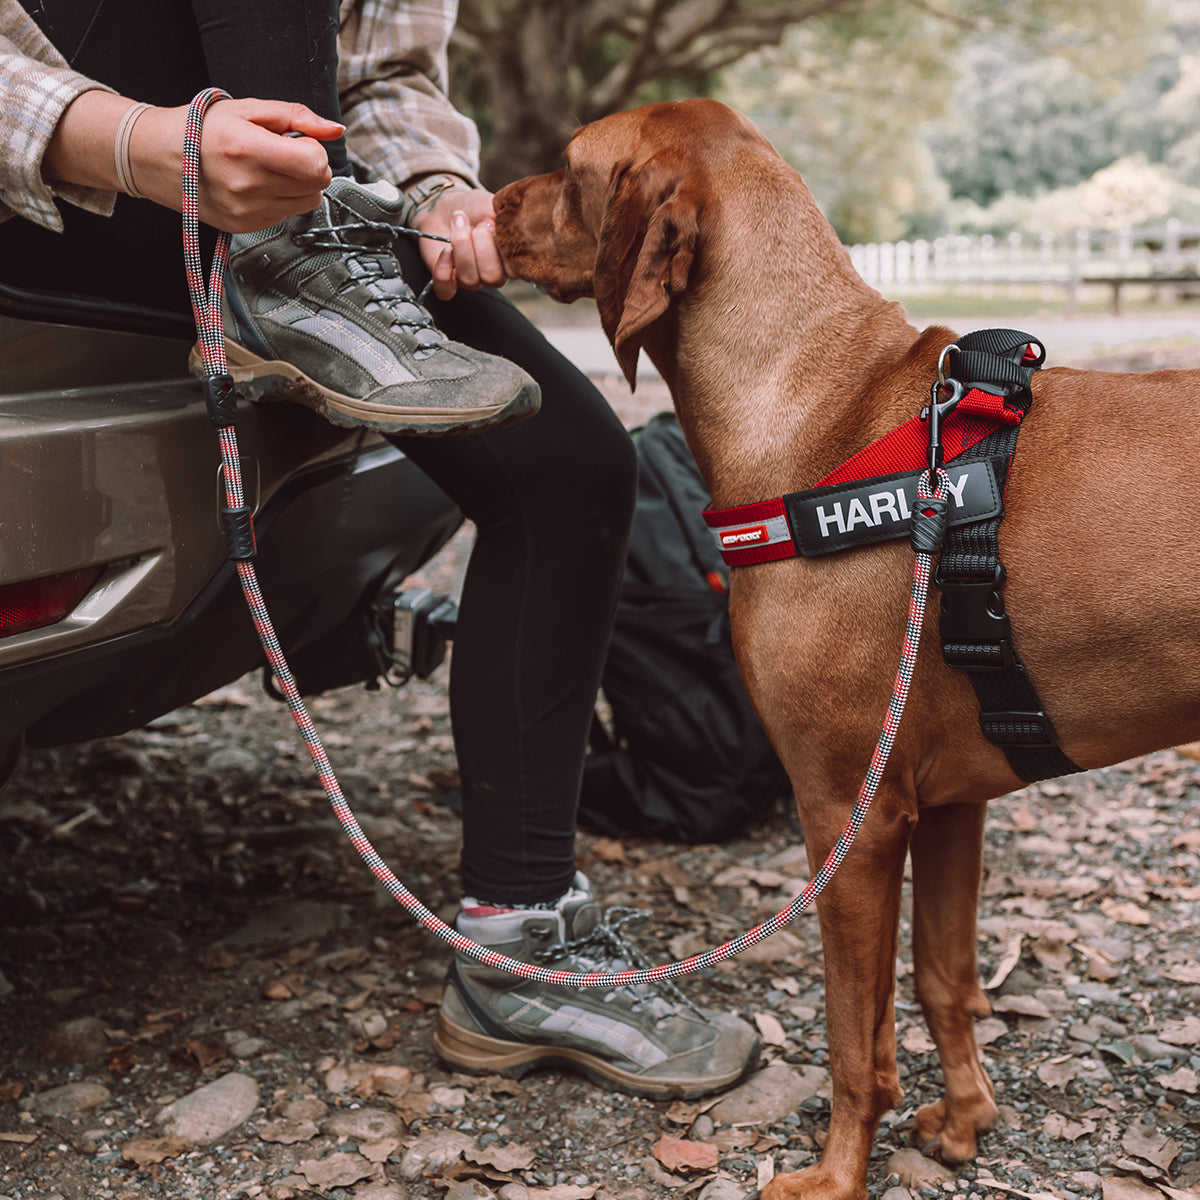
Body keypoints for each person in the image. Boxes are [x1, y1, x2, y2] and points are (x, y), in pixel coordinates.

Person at [0, 0, 760, 1099]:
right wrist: (141, 145)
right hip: (57, 176)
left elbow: (386, 76)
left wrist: (440, 195)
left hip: (282, 212)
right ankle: (282, 265)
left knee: (569, 462)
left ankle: (520, 947)